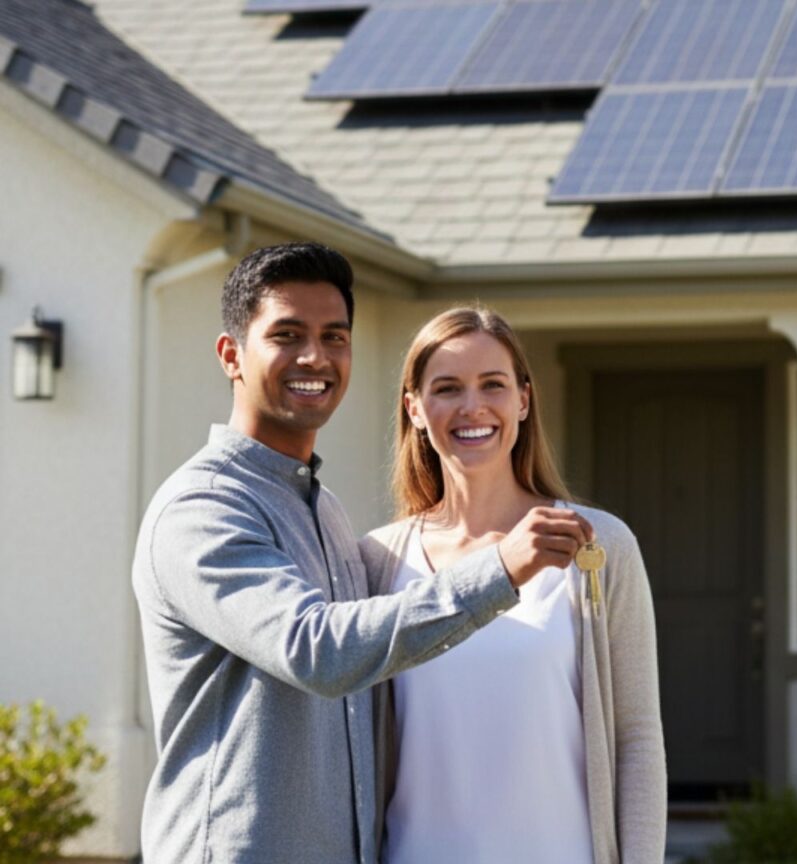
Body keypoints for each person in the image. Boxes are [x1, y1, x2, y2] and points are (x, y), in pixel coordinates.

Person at [131, 244, 594, 864]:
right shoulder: (203, 509)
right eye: (287, 335)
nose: (315, 357)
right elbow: (319, 650)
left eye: (335, 337)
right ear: (231, 356)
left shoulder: (324, 510)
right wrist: (500, 569)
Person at [359, 307, 666, 864]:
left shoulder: (598, 547)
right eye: (446, 388)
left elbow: (637, 740)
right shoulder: (378, 561)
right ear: (415, 409)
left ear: (523, 400)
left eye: (492, 385)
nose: (471, 407)